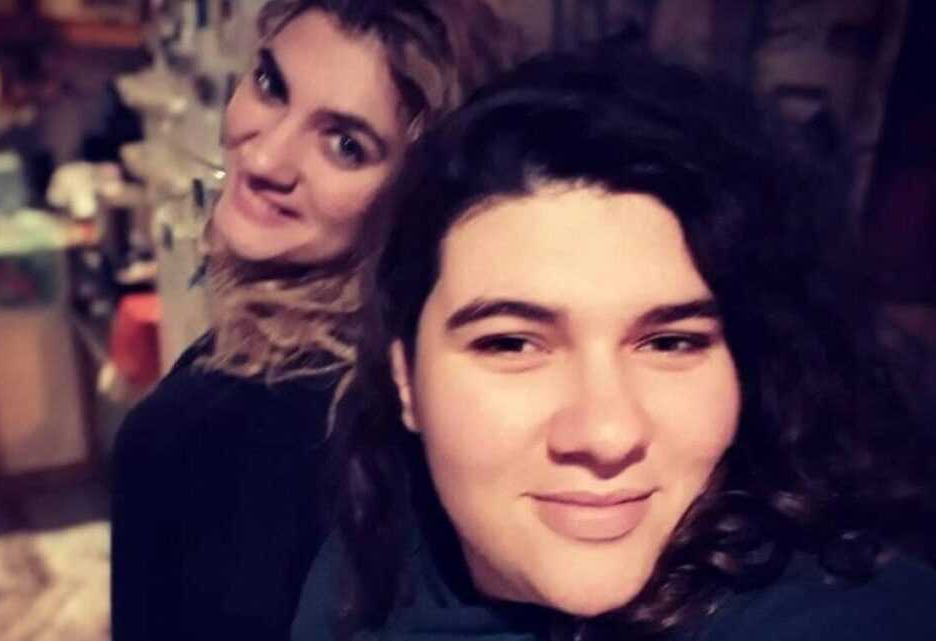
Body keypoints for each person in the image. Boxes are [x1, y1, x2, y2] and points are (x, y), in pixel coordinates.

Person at [292, 50, 936, 641]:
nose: (606, 434)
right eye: (512, 344)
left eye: (670, 343)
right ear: (406, 379)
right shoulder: (366, 562)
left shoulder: (851, 614)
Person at [110, 2, 522, 641]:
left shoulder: (224, 431)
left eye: (345, 145)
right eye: (271, 85)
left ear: (416, 194)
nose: (266, 159)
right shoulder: (412, 369)